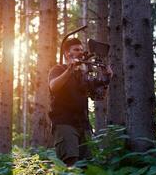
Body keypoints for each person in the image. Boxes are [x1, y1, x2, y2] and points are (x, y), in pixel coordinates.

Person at [48, 38, 113, 166]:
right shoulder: (58, 69)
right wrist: (69, 71)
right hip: (64, 123)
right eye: (76, 49)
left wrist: (106, 79)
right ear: (67, 53)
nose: (80, 52)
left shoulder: (83, 75)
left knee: (87, 166)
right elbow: (53, 86)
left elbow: (98, 97)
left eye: (82, 49)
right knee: (70, 164)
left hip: (83, 125)